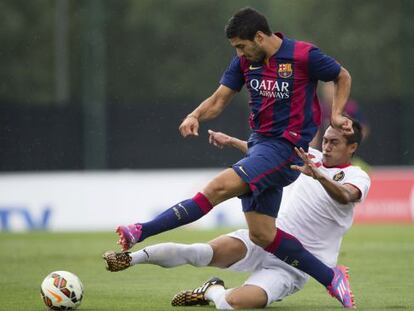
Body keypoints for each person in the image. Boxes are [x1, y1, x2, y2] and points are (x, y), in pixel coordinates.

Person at [115, 7, 354, 307]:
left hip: (284, 149)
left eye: (242, 45)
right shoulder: (244, 63)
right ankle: (331, 278)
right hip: (259, 147)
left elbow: (341, 75)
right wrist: (195, 115)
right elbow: (218, 100)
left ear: (259, 36)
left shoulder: (303, 55)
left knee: (216, 188)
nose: (240, 52)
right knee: (263, 235)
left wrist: (336, 114)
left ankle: (140, 230)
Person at [104, 122, 370, 309]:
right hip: (264, 239)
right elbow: (266, 158)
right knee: (199, 252)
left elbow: (345, 196)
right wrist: (232, 141)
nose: (326, 147)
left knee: (234, 303)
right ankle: (129, 258)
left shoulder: (358, 176)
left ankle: (212, 291)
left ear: (352, 148)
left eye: (334, 142)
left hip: (294, 267)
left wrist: (319, 175)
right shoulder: (308, 156)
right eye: (325, 140)